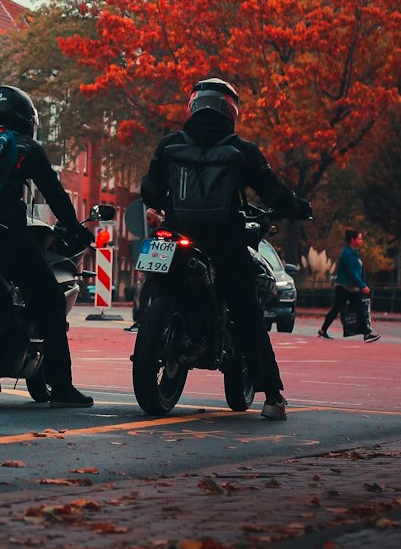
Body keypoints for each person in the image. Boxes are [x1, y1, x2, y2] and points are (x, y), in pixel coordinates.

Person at [141, 77, 311, 422]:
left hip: (174, 234)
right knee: (248, 314)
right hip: (223, 240)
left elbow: (150, 189)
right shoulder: (242, 151)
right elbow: (273, 191)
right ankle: (273, 396)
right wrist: (297, 208)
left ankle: (147, 324)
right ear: (230, 109)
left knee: (156, 276)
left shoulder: (169, 145)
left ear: (193, 106)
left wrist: (159, 204)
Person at [0, 84, 95, 408]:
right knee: (50, 300)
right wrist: (75, 229)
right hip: (5, 235)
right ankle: (62, 387)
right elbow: (54, 193)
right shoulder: (27, 148)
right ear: (25, 117)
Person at [319, 229, 380, 342]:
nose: (361, 241)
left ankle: (367, 333)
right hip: (343, 287)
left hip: (352, 288)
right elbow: (351, 273)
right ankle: (323, 330)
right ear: (352, 240)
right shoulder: (346, 254)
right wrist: (362, 285)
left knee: (359, 309)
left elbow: (358, 271)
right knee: (336, 309)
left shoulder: (355, 252)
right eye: (359, 238)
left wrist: (362, 284)